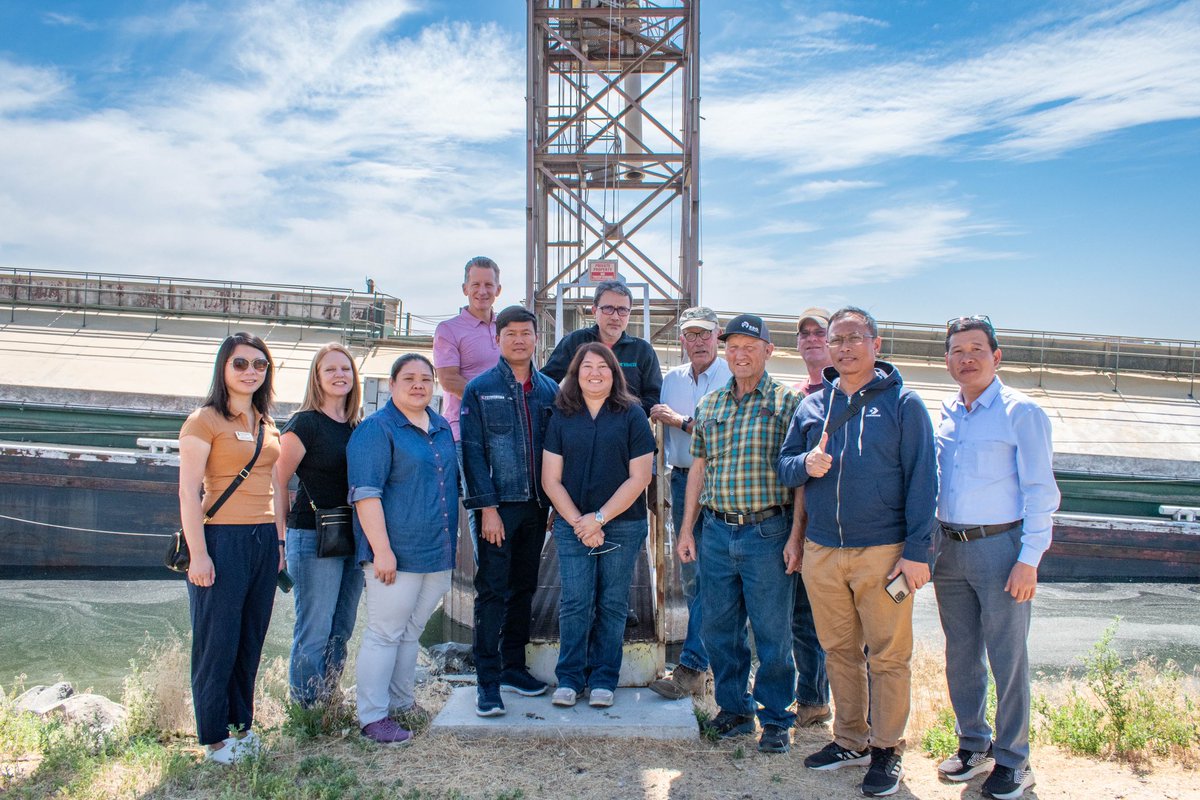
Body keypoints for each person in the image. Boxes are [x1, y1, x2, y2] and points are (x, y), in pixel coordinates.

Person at [777, 306, 937, 797]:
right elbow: (784, 468)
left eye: (854, 338)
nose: (844, 347)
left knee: (888, 655)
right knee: (839, 650)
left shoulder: (904, 404)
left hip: (884, 553)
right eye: (836, 340)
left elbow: (924, 481)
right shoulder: (811, 406)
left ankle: (887, 749)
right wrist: (808, 462)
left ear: (876, 344)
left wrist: (916, 552)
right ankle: (850, 739)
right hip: (823, 552)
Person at [933, 315, 1059, 800]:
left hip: (1002, 550)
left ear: (996, 356)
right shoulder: (944, 411)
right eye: (957, 350)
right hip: (949, 548)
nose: (967, 358)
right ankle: (974, 744)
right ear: (946, 360)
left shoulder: (1020, 412)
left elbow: (1041, 492)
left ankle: (1013, 759)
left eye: (976, 349)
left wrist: (1030, 559)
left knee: (1008, 658)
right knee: (960, 654)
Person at [675, 314, 802, 755]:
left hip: (768, 531)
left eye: (750, 346)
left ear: (768, 351)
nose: (740, 353)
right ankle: (733, 709)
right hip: (715, 531)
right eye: (733, 346)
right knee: (719, 628)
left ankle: (776, 719)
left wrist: (796, 537)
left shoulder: (787, 404)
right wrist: (687, 528)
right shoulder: (710, 406)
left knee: (772, 632)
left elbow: (801, 479)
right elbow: (699, 468)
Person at [178, 332, 285, 764]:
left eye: (260, 364)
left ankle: (241, 727)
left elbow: (275, 488)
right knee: (216, 640)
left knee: (250, 638)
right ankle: (214, 738)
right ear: (224, 368)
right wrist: (199, 554)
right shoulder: (203, 420)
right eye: (241, 363)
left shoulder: (266, 422)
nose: (250, 371)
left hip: (262, 539)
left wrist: (278, 542)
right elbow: (188, 493)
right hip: (222, 537)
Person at [347, 354, 458, 745]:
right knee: (384, 632)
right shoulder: (377, 430)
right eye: (409, 378)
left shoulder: (441, 426)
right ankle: (372, 717)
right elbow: (366, 495)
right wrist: (382, 551)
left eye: (425, 379)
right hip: (396, 553)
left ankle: (402, 702)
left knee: (410, 632)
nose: (418, 385)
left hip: (436, 551)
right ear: (391, 385)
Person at [541, 343, 655, 708]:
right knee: (575, 601)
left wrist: (600, 518)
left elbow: (640, 478)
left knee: (612, 602)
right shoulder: (561, 414)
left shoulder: (632, 415)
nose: (595, 373)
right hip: (573, 526)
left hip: (622, 525)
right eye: (586, 366)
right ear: (575, 374)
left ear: (614, 373)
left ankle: (605, 677)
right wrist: (579, 522)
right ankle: (570, 678)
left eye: (602, 367)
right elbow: (550, 479)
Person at [460, 306, 560, 716]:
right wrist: (487, 509)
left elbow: (558, 452)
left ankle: (513, 668)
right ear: (498, 339)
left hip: (537, 509)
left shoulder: (551, 391)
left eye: (526, 333)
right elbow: (472, 453)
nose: (519, 340)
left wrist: (554, 504)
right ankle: (487, 682)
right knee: (491, 592)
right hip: (498, 510)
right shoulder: (480, 390)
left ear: (536, 339)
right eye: (511, 333)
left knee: (523, 589)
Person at [646, 306, 731, 699]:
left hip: (723, 481)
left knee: (713, 574)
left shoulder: (732, 376)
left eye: (705, 334)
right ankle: (706, 661)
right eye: (690, 335)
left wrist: (679, 420)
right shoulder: (672, 380)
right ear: (681, 340)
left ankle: (694, 666)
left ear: (718, 337)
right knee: (693, 575)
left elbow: (721, 435)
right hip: (681, 481)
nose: (697, 342)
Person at [275, 343, 364, 708]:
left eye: (345, 368)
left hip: (353, 536)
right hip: (312, 535)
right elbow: (275, 481)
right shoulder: (305, 424)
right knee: (314, 629)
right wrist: (279, 540)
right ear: (317, 377)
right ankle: (306, 709)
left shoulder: (359, 426)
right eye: (330, 369)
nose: (339, 375)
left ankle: (329, 700)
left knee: (341, 628)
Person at [788, 306, 835, 727]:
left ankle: (874, 718)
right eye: (803, 332)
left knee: (859, 632)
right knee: (804, 616)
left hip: (855, 531)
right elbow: (790, 465)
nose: (811, 338)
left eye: (819, 331)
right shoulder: (798, 398)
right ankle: (814, 698)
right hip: (805, 523)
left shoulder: (864, 391)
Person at [434, 256, 502, 543]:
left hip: (505, 430)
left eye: (489, 284)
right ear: (465, 288)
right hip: (467, 430)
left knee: (505, 502)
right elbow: (448, 379)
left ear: (498, 289)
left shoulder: (507, 327)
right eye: (476, 284)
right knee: (480, 503)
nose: (482, 291)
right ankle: (486, 576)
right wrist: (492, 404)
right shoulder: (449, 330)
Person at [542, 279, 661, 416]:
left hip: (625, 431)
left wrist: (624, 413)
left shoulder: (642, 351)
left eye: (622, 310)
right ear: (594, 311)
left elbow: (655, 397)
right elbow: (546, 382)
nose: (615, 317)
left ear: (629, 313)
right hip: (580, 428)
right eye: (608, 309)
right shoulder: (575, 342)